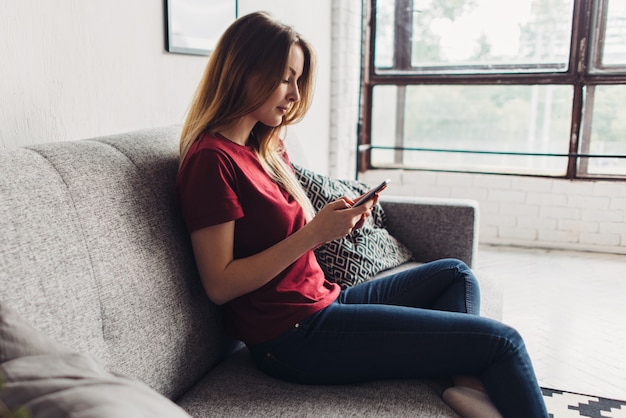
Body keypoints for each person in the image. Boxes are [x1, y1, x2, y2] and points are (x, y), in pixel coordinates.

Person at [175, 11, 549, 418]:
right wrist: (314, 234)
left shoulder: (266, 149)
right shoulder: (211, 161)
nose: (296, 94)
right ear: (244, 71)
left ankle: (466, 383)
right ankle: (476, 371)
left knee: (455, 274)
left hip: (324, 303)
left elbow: (287, 234)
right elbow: (220, 284)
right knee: (503, 342)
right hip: (293, 340)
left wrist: (338, 221)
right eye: (285, 78)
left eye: (298, 80)